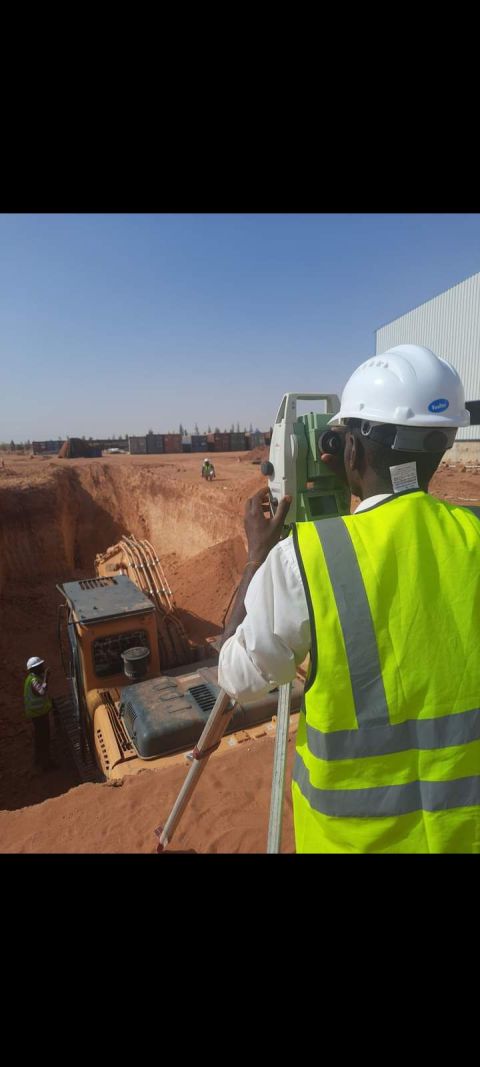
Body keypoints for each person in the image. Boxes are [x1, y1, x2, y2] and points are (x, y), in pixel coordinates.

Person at [218, 344, 480, 853]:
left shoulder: (306, 559)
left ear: (350, 449)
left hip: (356, 842)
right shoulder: (472, 531)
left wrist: (255, 560)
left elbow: (238, 676)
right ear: (444, 444)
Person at [24, 656, 58, 772]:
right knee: (44, 738)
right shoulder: (34, 680)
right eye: (40, 666)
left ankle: (38, 760)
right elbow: (42, 692)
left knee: (39, 738)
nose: (43, 667)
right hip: (38, 715)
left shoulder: (31, 678)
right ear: (35, 669)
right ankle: (45, 764)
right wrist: (46, 677)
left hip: (37, 714)